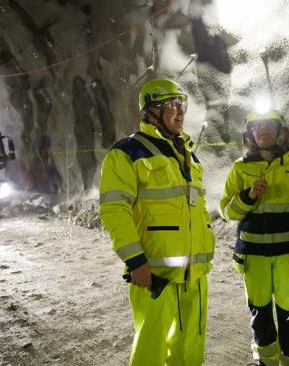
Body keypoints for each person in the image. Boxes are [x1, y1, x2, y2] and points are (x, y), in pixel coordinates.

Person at [99, 78, 215, 365]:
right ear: (151, 111)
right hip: (155, 275)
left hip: (195, 275)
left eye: (182, 105)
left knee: (190, 351)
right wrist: (136, 260)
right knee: (151, 351)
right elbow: (115, 209)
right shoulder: (127, 152)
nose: (180, 112)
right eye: (172, 105)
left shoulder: (188, 154)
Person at [220, 109, 289, 366]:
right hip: (254, 259)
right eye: (257, 126)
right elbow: (227, 211)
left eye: (269, 125)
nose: (263, 130)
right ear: (250, 134)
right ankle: (267, 363)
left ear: (281, 131)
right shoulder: (240, 169)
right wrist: (248, 196)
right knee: (260, 316)